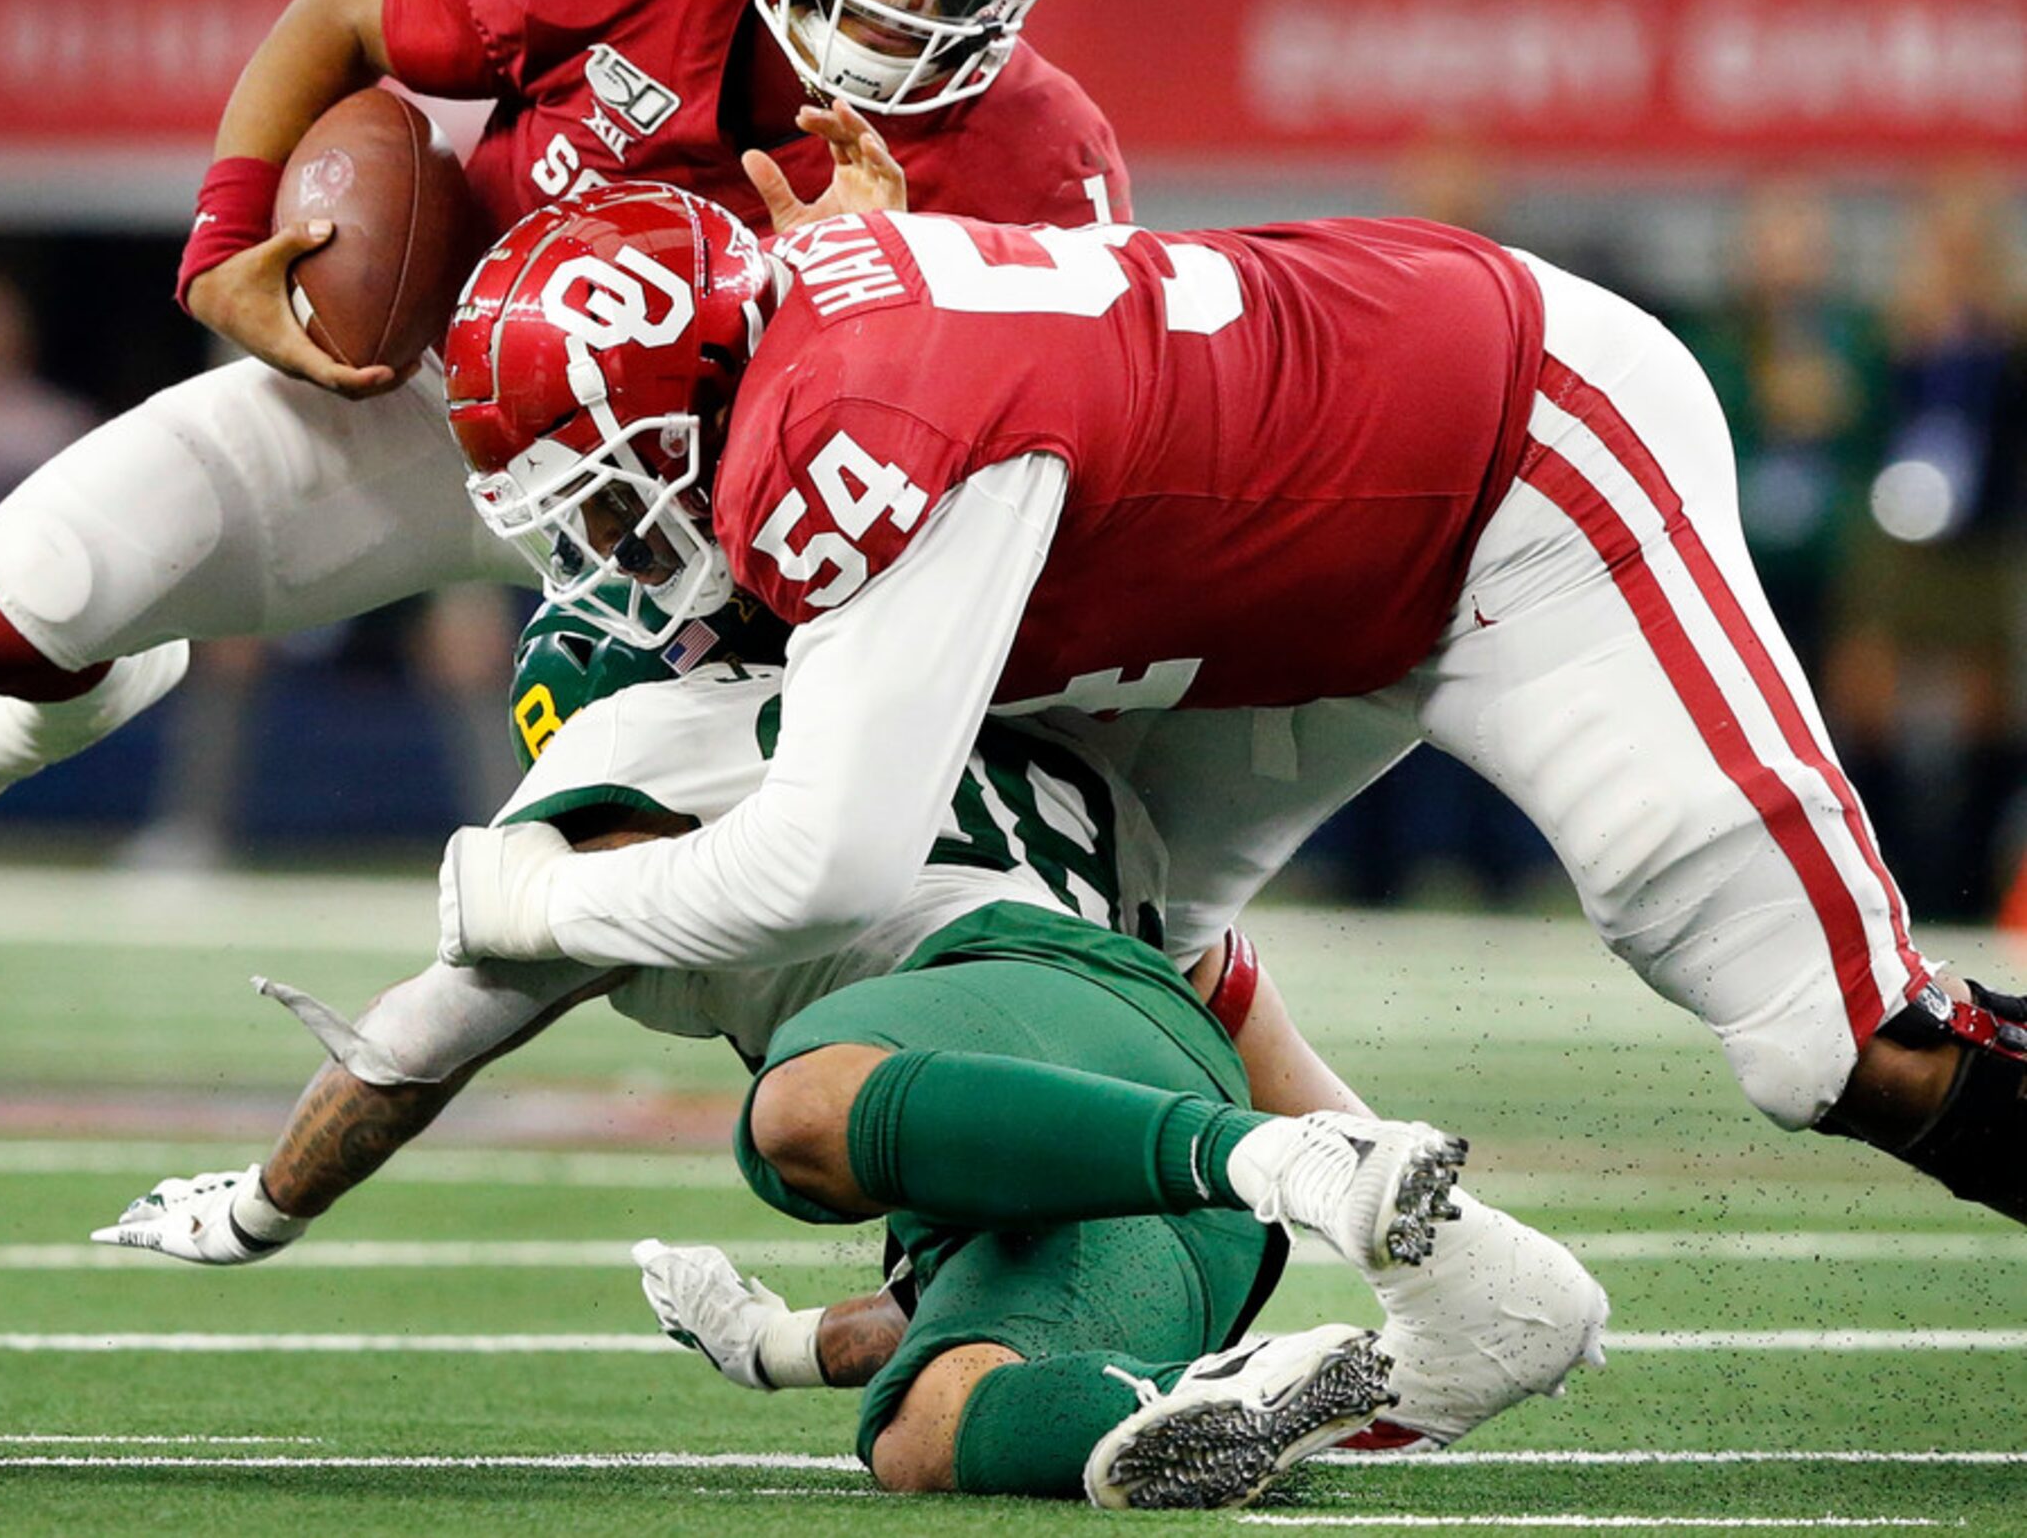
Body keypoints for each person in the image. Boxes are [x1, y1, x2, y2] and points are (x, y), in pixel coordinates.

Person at [432, 182, 2027, 1230]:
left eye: (624, 501)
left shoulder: (844, 433)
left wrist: (554, 897)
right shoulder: (814, 342)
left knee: (1837, 1046)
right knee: (1123, 941)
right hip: (1308, 557)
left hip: (1512, 476)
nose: (626, 556)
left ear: (705, 393)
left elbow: (821, 868)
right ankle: (1443, 1271)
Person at [0, 0, 1129, 837]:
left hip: (720, 564)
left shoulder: (1044, 167)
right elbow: (346, 12)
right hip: (439, 400)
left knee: (671, 908)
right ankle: (90, 693)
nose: (893, 3)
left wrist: (874, 301)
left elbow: (1020, 526)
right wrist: (230, 242)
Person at [94, 592, 1606, 1508]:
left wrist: (257, 1210)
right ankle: (1204, 1402)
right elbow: (1216, 987)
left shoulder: (674, 736)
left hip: (1044, 1038)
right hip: (1127, 1152)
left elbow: (420, 1038)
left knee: (793, 1114)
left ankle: (1280, 1167)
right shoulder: (983, 729)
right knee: (925, 1426)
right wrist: (771, 1346)